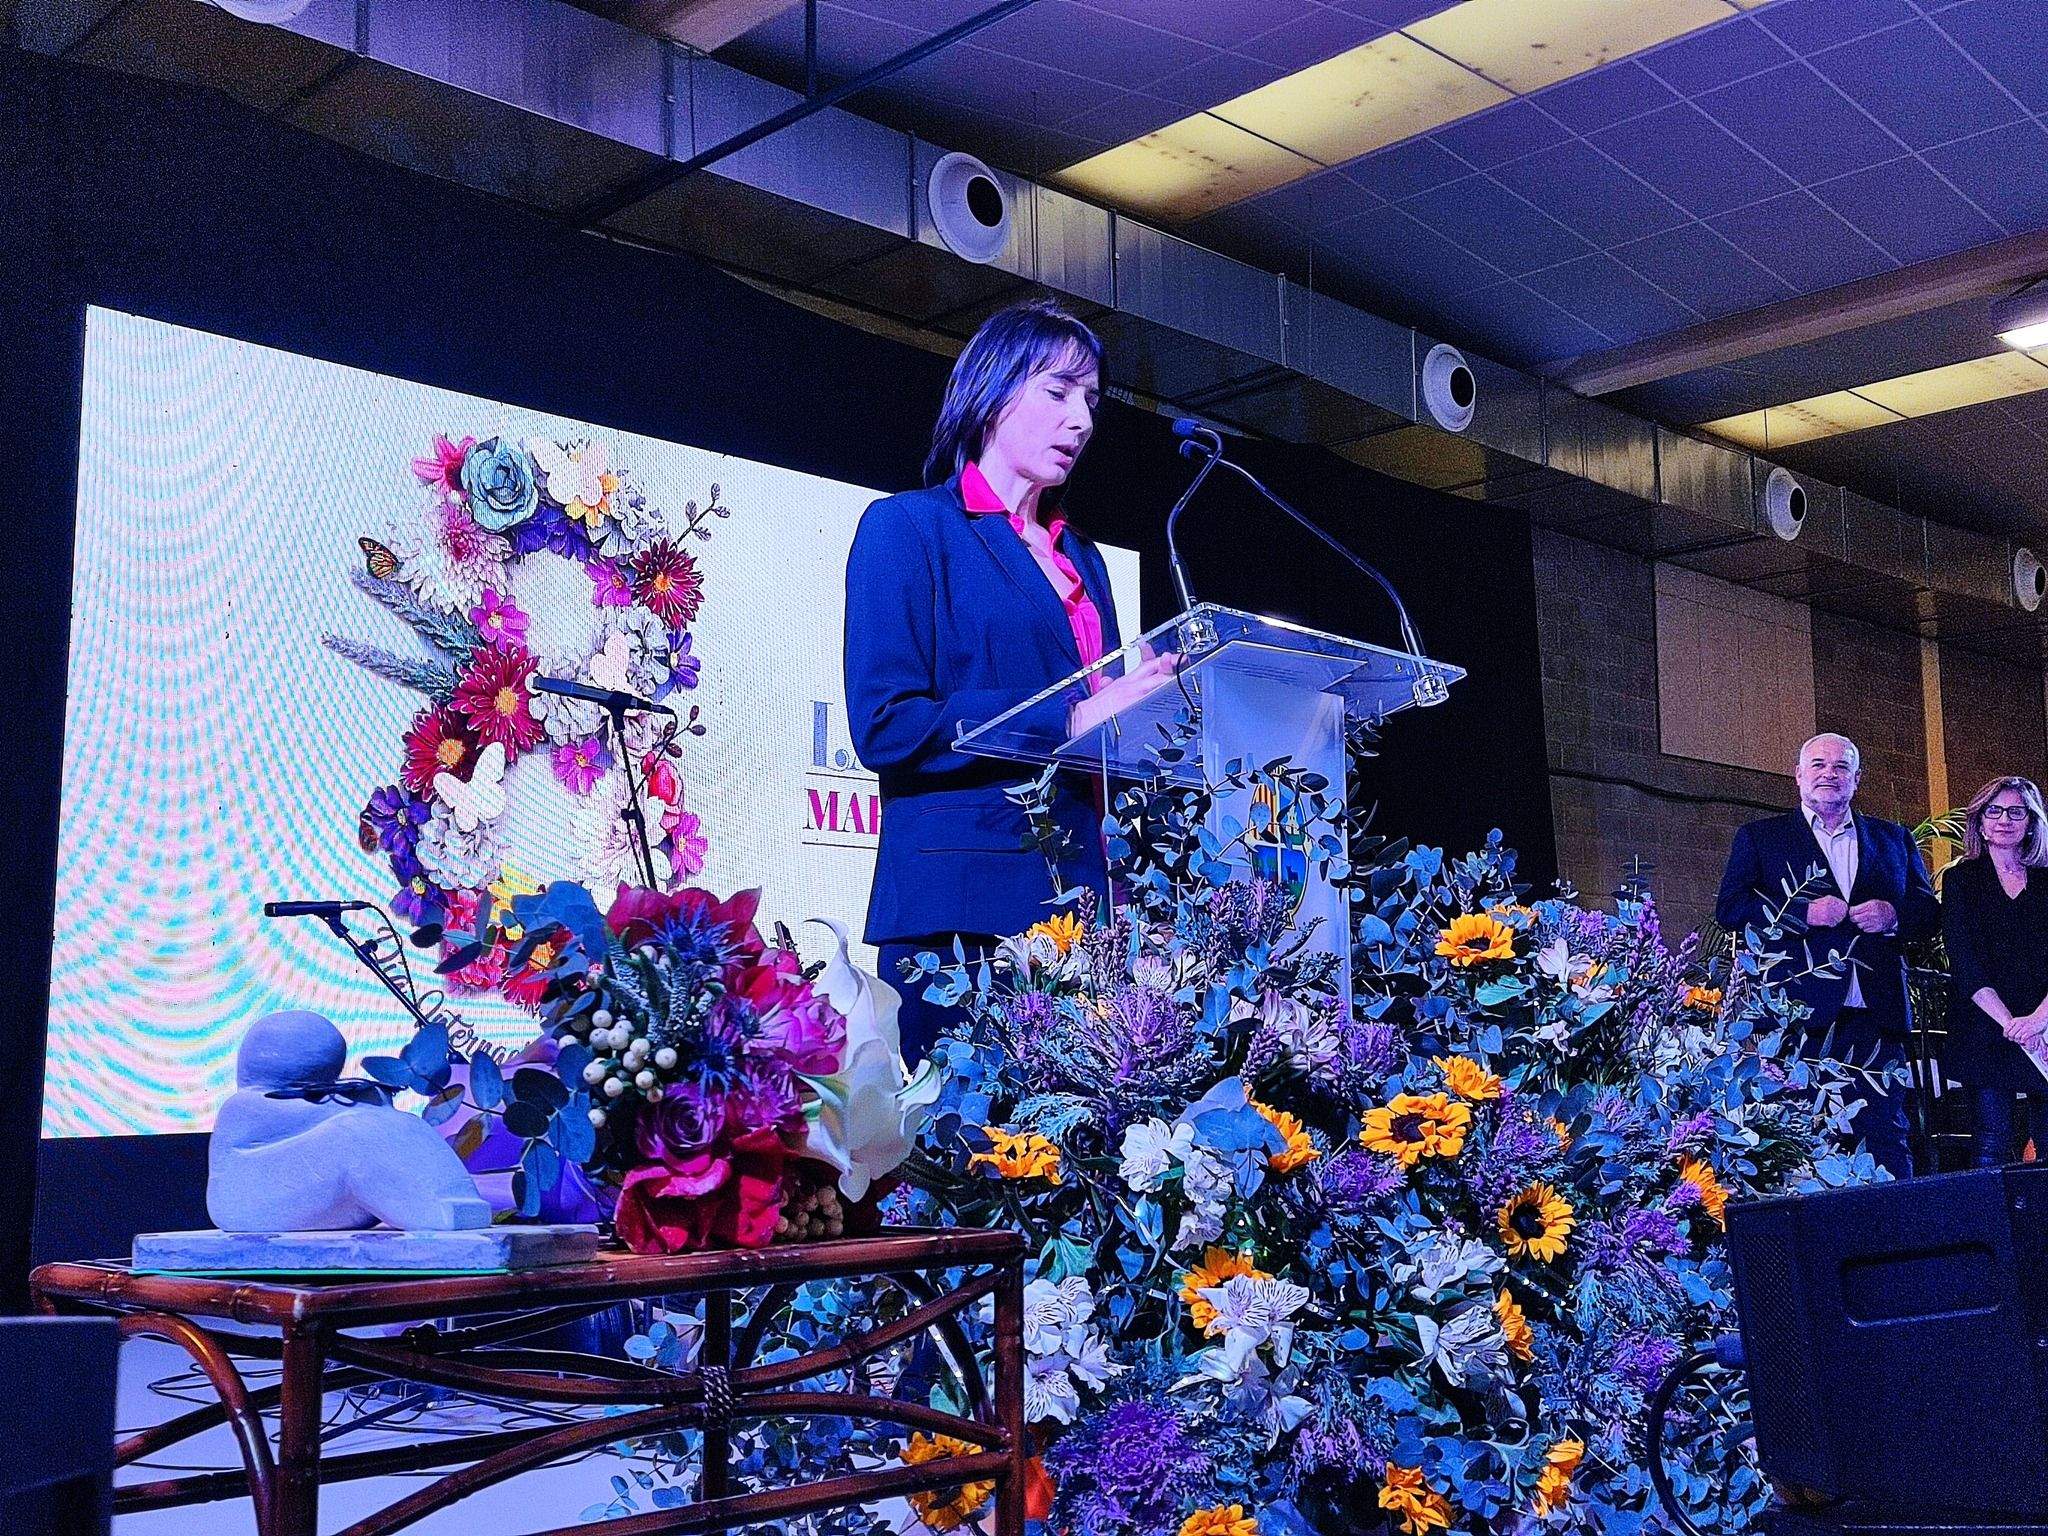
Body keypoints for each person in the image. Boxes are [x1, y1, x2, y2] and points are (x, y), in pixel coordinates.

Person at [843, 301, 1177, 1060]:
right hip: (960, 921)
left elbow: (1103, 730)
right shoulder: (909, 528)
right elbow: (887, 723)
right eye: (1058, 392)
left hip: (1085, 914)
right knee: (968, 1164)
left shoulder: (1082, 560)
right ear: (992, 392)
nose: (1083, 420)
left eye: (1091, 400)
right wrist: (1067, 719)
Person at [1714, 732, 1939, 1178]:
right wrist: (1802, 912)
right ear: (1798, 775)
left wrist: (1893, 914)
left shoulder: (1893, 839)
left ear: (1857, 779)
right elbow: (1730, 908)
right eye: (1818, 765)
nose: (1828, 775)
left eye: (1840, 767)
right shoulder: (1762, 838)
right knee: (1803, 1142)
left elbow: (1929, 912)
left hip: (1877, 1019)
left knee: (1888, 1141)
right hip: (1798, 1020)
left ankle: (1898, 1242)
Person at [1940, 776, 2048, 1166]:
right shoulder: (1961, 880)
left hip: (2046, 1024)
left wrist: (2037, 1020)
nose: (2005, 819)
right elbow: (1965, 962)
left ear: (2031, 821)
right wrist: (2011, 1024)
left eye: (2016, 811)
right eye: (1995, 811)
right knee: (1991, 1142)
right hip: (1985, 1025)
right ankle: (1991, 1230)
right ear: (1980, 822)